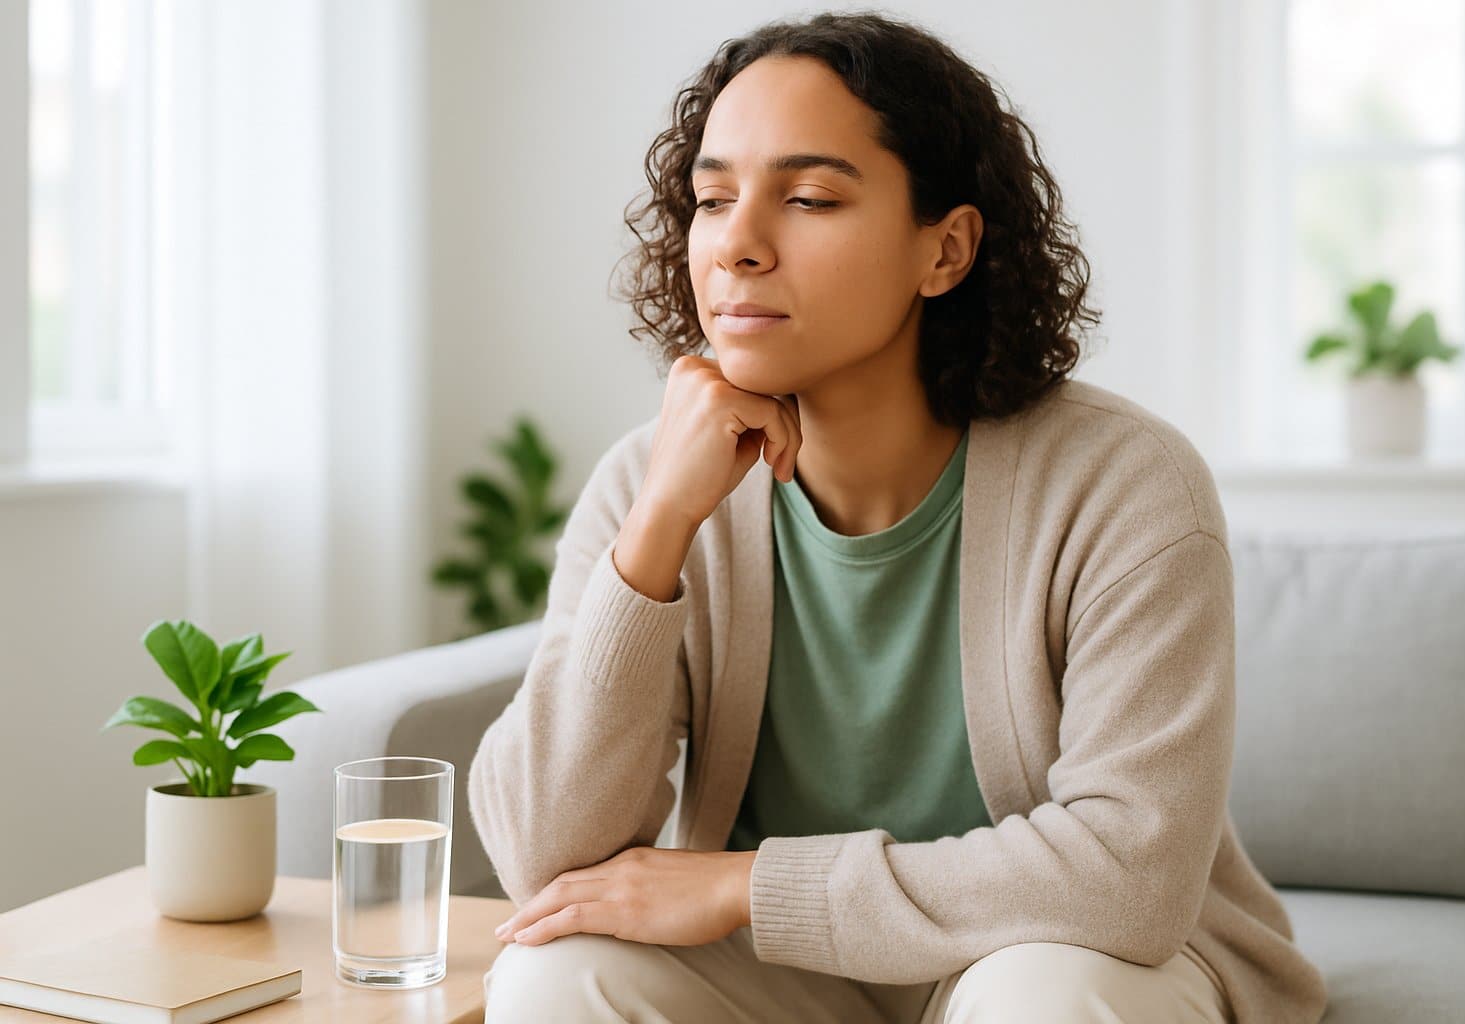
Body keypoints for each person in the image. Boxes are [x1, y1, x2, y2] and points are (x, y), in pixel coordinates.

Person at [468, 10, 1328, 1023]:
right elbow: (543, 859)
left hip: (1060, 958)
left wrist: (745, 885)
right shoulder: (647, 484)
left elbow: (1126, 875)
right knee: (554, 977)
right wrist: (656, 532)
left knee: (1037, 999)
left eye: (810, 197)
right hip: (791, 978)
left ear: (947, 249)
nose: (737, 245)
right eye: (711, 198)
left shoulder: (1126, 484)